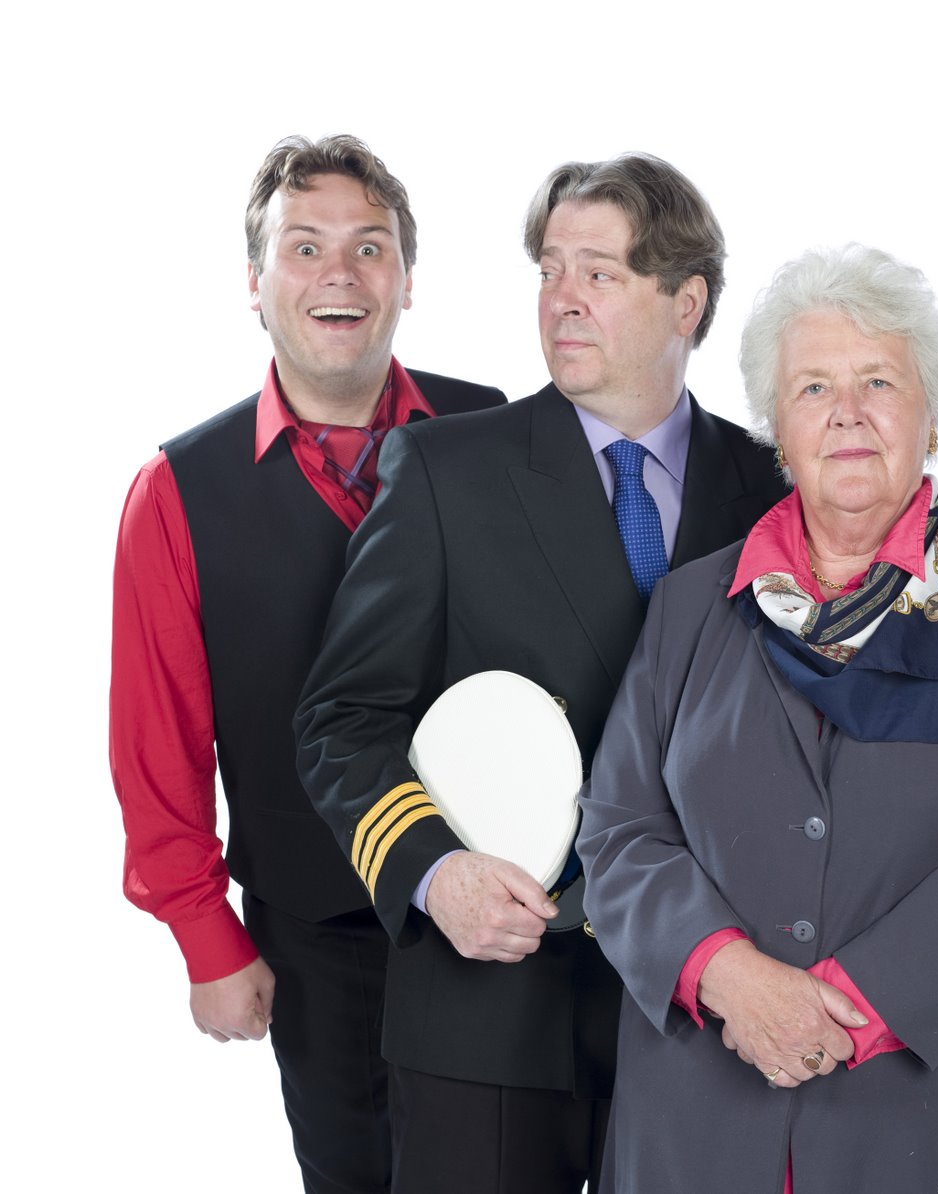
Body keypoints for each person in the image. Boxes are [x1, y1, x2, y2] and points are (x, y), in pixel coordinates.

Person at [294, 152, 788, 1194]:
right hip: (488, 1018)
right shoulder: (445, 470)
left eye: (599, 274)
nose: (561, 300)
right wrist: (434, 871)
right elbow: (342, 720)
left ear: (686, 302)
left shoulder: (770, 487)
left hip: (698, 1017)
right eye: (549, 269)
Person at [576, 244, 938, 1193]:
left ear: (930, 416)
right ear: (778, 428)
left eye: (880, 381)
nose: (849, 412)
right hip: (701, 1124)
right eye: (814, 386)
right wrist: (726, 977)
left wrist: (839, 1013)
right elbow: (619, 831)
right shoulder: (694, 604)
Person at [109, 134, 506, 1194]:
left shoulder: (500, 432)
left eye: (370, 247)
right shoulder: (176, 492)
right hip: (315, 933)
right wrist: (206, 937)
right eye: (305, 247)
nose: (340, 273)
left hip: (503, 908)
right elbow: (156, 742)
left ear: (406, 283)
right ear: (255, 284)